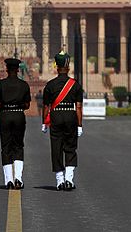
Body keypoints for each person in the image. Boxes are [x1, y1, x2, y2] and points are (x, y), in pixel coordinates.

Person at [42, 51, 84, 191]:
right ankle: (69, 179)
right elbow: (78, 107)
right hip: (71, 116)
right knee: (70, 147)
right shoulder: (75, 85)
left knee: (56, 147)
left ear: (57, 67)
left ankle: (59, 180)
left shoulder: (50, 85)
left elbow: (46, 106)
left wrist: (44, 122)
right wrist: (79, 125)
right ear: (68, 67)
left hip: (56, 116)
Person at [0, 58, 31, 189]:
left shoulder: (0, 84)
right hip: (19, 115)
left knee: (6, 147)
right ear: (18, 69)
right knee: (18, 146)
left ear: (6, 69)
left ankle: (8, 180)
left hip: (5, 116)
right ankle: (18, 178)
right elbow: (27, 105)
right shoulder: (24, 85)